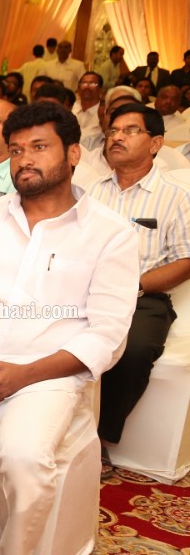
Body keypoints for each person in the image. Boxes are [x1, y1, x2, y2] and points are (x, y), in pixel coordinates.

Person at [0, 102, 137, 555]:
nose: (24, 160)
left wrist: (22, 374)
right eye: (16, 150)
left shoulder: (111, 234)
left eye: (39, 147)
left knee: (26, 456)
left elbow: (107, 334)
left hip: (47, 376)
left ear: (74, 153)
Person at [86, 103, 190, 476]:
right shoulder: (90, 193)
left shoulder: (176, 196)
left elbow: (185, 260)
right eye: (113, 130)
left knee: (132, 351)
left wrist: (134, 285)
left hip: (142, 298)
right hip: (84, 293)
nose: (117, 137)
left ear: (156, 143)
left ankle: (98, 440)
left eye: (130, 131)